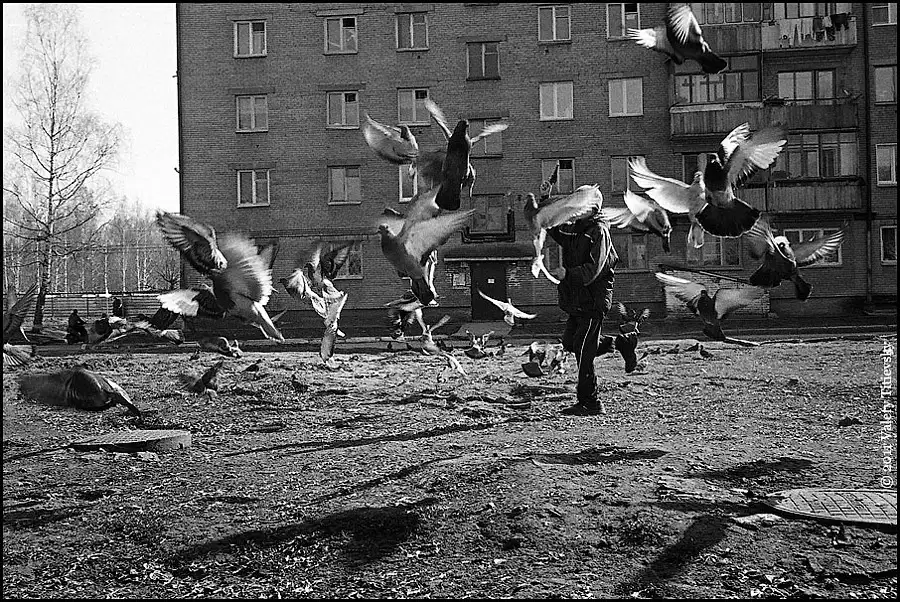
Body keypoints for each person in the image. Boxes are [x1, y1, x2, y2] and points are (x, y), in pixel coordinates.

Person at [547, 203, 621, 416]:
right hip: (578, 301)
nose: (578, 208)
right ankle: (614, 343)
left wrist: (568, 274)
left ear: (594, 209)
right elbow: (554, 229)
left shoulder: (599, 231)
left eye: (584, 204)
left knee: (582, 348)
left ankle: (591, 402)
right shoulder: (577, 230)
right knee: (570, 342)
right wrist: (545, 200)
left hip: (592, 302)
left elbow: (594, 269)